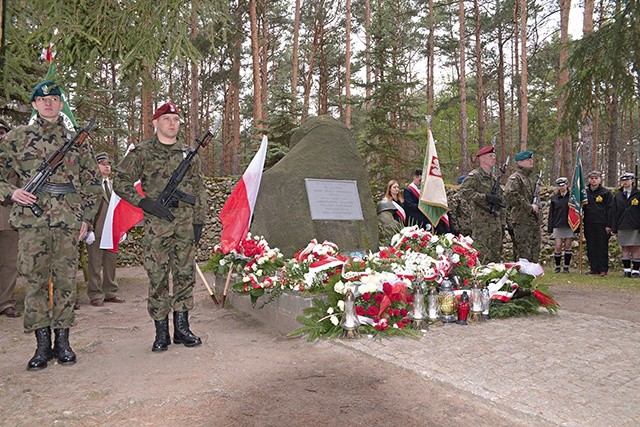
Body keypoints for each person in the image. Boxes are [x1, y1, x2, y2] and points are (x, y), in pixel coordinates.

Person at [0, 81, 102, 370]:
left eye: (55, 99)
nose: (49, 103)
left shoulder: (78, 141)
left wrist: (86, 218)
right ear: (34, 104)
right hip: (33, 223)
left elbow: (93, 183)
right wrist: (11, 192)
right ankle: (41, 345)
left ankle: (63, 342)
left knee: (67, 282)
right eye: (43, 99)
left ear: (60, 104)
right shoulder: (17, 138)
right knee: (34, 282)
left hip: (68, 222)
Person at [113, 101, 207, 352]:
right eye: (166, 119)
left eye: (176, 119)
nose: (172, 123)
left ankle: (182, 328)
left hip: (185, 225)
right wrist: (144, 202)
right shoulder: (142, 152)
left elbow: (199, 188)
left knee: (185, 276)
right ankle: (161, 332)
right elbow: (119, 181)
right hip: (157, 227)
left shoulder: (189, 154)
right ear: (155, 123)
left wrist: (199, 220)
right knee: (157, 278)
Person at [87, 152, 124, 307]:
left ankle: (110, 292)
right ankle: (95, 294)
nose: (107, 166)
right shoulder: (91, 185)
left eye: (108, 164)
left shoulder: (114, 186)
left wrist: (122, 229)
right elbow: (87, 207)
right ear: (96, 166)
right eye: (103, 164)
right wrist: (88, 229)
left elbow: (120, 207)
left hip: (113, 230)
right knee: (94, 264)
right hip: (97, 230)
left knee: (111, 264)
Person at [457, 146, 503, 263]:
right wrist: (485, 198)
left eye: (494, 156)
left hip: (495, 221)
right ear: (482, 159)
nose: (493, 158)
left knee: (495, 253)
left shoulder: (493, 178)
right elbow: (464, 192)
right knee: (481, 253)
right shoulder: (475, 175)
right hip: (481, 222)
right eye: (490, 156)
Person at [504, 150, 541, 263]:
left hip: (533, 220)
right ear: (520, 163)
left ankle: (532, 275)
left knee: (535, 250)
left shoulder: (532, 178)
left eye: (531, 159)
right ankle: (521, 276)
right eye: (528, 160)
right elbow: (510, 194)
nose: (531, 161)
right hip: (521, 220)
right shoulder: (516, 178)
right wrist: (528, 206)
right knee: (523, 252)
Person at [0, 118, 20, 318]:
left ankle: (6, 302)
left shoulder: (15, 159)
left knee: (9, 263)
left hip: (8, 217)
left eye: (2, 132)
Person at [610, 172, 640, 277]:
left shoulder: (638, 194)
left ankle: (636, 270)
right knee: (625, 247)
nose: (625, 182)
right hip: (622, 225)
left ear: (632, 181)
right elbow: (614, 212)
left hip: (635, 225)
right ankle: (626, 270)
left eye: (627, 180)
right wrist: (614, 227)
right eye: (623, 180)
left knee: (636, 247)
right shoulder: (618, 196)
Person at [583, 171, 612, 276]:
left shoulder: (605, 193)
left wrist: (609, 225)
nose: (593, 180)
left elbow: (610, 209)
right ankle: (594, 268)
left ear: (600, 179)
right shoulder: (585, 192)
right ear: (589, 180)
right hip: (589, 223)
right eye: (591, 178)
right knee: (591, 246)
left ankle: (603, 269)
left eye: (596, 178)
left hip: (602, 223)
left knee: (602, 246)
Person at [547, 177, 574, 273]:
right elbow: (551, 214)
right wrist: (550, 227)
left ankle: (566, 267)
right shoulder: (555, 198)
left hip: (568, 225)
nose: (562, 187)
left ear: (567, 185)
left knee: (568, 246)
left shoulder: (572, 197)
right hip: (557, 224)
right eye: (560, 186)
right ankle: (557, 266)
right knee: (558, 246)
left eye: (563, 185)